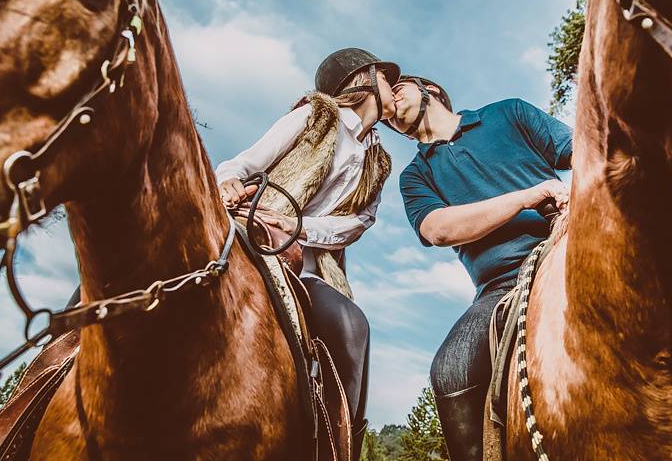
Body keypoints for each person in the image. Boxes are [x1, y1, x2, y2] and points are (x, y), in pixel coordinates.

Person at [215, 48, 399, 459]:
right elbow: (240, 164)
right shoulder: (312, 116)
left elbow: (355, 225)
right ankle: (57, 365)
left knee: (353, 326)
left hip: (311, 270)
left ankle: (338, 446)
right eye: (386, 77)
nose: (393, 86)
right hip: (253, 241)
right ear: (364, 79)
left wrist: (299, 228)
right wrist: (227, 183)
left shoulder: (378, 163)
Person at [388, 76, 572, 461]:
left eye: (398, 86)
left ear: (430, 90)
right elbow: (438, 229)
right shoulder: (415, 177)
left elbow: (583, 150)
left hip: (569, 244)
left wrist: (578, 194)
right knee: (449, 372)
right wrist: (527, 196)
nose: (388, 98)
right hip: (501, 285)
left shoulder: (510, 112)